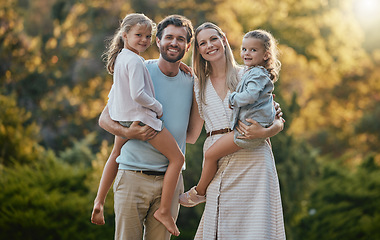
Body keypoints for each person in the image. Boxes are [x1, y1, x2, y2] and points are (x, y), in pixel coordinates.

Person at [96, 15, 195, 240]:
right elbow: (105, 118)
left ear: (188, 46)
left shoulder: (193, 81)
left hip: (168, 186)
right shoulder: (140, 68)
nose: (174, 43)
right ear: (158, 41)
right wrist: (128, 132)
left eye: (181, 39)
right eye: (168, 37)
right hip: (133, 177)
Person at [184, 22, 286, 239]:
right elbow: (192, 134)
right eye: (203, 43)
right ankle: (199, 191)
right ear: (198, 50)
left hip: (253, 160)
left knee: (255, 228)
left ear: (223, 39)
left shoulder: (249, 74)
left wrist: (265, 133)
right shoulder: (197, 84)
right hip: (219, 161)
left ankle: (197, 192)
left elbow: (277, 120)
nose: (210, 46)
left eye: (214, 39)